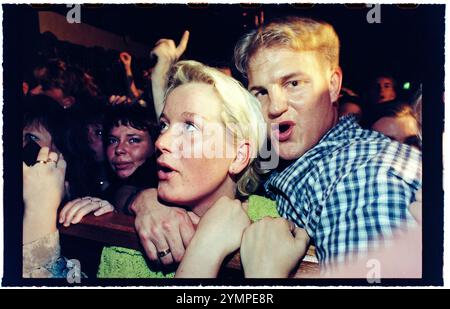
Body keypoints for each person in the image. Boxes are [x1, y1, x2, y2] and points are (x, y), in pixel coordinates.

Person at [131, 17, 422, 273]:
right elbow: (194, 144)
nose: (275, 107)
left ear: (333, 85)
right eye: (260, 92)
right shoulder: (288, 162)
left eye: (293, 84)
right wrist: (147, 199)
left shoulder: (360, 176)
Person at [96, 60, 309, 278]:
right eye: (164, 125)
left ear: (239, 155)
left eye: (190, 126)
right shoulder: (132, 243)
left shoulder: (283, 226)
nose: (162, 141)